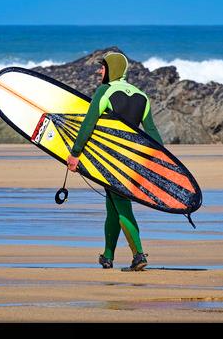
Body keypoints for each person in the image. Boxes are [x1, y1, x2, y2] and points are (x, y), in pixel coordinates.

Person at [66, 51, 164, 271]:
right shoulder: (142, 96)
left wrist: (75, 153)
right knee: (112, 206)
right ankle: (107, 256)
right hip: (132, 162)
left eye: (103, 67)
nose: (99, 71)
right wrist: (162, 162)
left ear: (113, 69)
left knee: (122, 207)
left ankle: (139, 255)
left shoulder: (105, 92)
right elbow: (152, 134)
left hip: (110, 161)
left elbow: (88, 124)